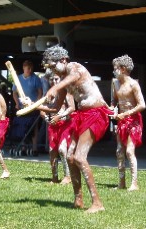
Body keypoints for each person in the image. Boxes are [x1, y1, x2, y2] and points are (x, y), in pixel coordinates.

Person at [43, 45, 112, 213]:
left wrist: (55, 87)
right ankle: (78, 200)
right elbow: (56, 106)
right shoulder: (62, 82)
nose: (53, 71)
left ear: (63, 60)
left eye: (53, 66)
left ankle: (97, 203)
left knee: (80, 157)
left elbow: (73, 77)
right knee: (69, 156)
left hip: (96, 114)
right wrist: (36, 105)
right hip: (81, 116)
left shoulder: (75, 67)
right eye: (50, 68)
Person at [110, 55, 146, 191]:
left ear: (123, 69)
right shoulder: (115, 83)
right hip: (121, 121)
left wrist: (126, 113)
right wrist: (112, 108)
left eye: (115, 68)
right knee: (119, 151)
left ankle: (134, 183)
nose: (114, 71)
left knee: (130, 151)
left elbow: (142, 105)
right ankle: (121, 182)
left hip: (133, 121)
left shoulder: (133, 84)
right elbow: (114, 100)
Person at [37, 70, 74, 184]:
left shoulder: (66, 91)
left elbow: (72, 108)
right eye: (52, 79)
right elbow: (42, 109)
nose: (54, 81)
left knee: (62, 149)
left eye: (56, 79)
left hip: (65, 124)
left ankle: (68, 176)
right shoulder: (49, 92)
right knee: (52, 151)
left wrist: (60, 116)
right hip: (53, 126)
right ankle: (54, 177)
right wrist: (46, 118)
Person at [12, 60, 43, 156]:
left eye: (31, 69)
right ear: (23, 68)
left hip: (32, 107)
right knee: (22, 127)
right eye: (28, 68)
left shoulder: (36, 78)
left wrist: (36, 103)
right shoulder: (18, 79)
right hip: (22, 107)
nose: (29, 70)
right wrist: (17, 103)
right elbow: (14, 92)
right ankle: (24, 146)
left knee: (34, 127)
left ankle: (34, 148)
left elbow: (40, 92)